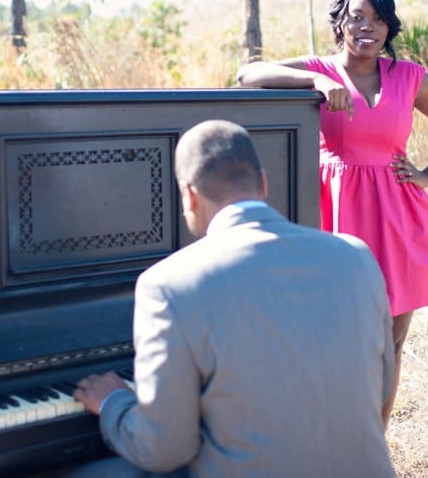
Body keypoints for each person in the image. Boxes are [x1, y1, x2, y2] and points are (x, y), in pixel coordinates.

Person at [70, 119, 396, 478]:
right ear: (264, 183)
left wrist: (114, 402)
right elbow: (380, 391)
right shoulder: (357, 256)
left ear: (189, 196)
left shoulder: (167, 283)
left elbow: (162, 449)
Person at [236, 0, 428, 428]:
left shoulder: (409, 77)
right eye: (358, 16)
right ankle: (327, 437)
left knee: (391, 339)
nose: (368, 26)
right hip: (336, 216)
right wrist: (312, 80)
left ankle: (373, 446)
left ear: (389, 29)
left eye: (379, 18)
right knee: (330, 332)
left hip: (398, 218)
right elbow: (247, 74)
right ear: (340, 22)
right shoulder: (319, 69)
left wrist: (426, 175)